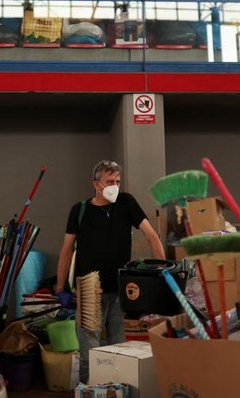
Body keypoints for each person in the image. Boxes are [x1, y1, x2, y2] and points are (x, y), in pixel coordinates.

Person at [55, 160, 165, 383]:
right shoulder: (80, 210)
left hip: (119, 288)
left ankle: (117, 391)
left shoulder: (126, 203)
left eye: (117, 181)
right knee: (89, 354)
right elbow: (66, 250)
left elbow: (152, 236)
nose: (115, 185)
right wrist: (60, 288)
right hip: (88, 290)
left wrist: (164, 273)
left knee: (119, 351)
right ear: (96, 184)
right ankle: (89, 391)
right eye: (109, 181)